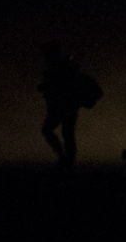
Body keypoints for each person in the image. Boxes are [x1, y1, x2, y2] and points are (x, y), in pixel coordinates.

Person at [38, 41, 102, 169]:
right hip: (67, 105)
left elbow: (62, 85)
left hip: (65, 104)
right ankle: (67, 159)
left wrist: (48, 88)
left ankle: (66, 159)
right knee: (65, 132)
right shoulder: (61, 66)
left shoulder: (60, 66)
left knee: (59, 131)